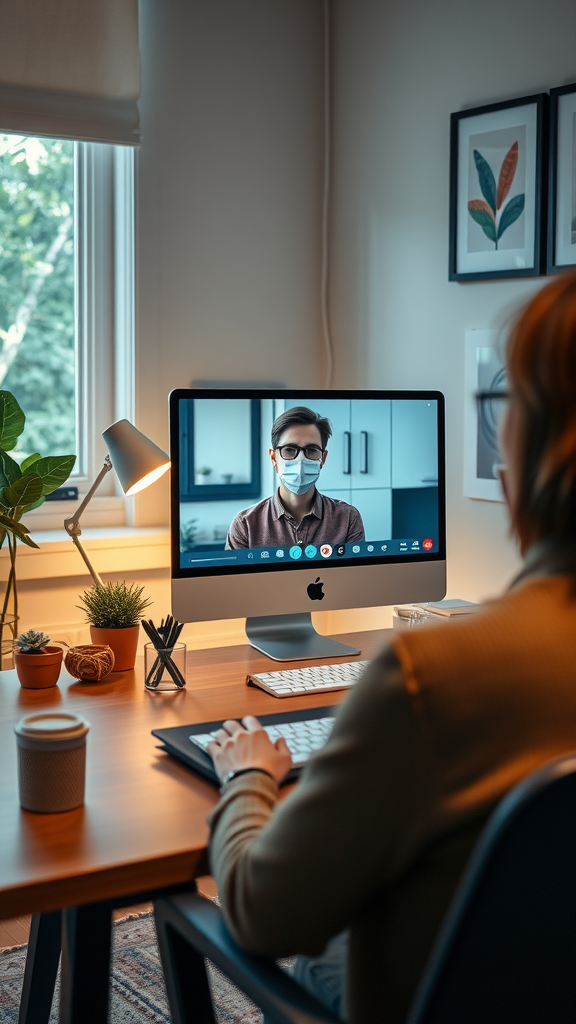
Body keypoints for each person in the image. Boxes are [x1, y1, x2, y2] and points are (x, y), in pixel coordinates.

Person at [206, 273, 576, 1024]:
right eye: (289, 451)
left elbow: (265, 914)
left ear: (514, 473)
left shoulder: (428, 678)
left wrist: (248, 776)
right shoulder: (248, 525)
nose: (299, 461)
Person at [225, 406, 365, 549]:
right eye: (289, 450)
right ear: (273, 458)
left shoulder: (347, 518)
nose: (300, 460)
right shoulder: (245, 525)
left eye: (311, 450)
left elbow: (354, 572)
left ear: (323, 459)